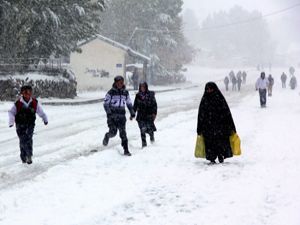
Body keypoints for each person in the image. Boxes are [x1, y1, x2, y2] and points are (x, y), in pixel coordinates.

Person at [197, 82, 236, 164]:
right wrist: (199, 128)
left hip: (220, 126)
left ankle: (220, 155)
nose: (209, 91)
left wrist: (231, 127)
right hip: (208, 127)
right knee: (210, 143)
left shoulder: (220, 99)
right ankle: (212, 157)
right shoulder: (204, 100)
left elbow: (227, 113)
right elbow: (201, 115)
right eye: (207, 89)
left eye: (211, 89)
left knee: (220, 142)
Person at [8, 85, 48, 164]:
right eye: (25, 92)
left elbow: (41, 112)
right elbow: (11, 112)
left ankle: (29, 156)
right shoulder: (18, 103)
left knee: (28, 139)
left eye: (29, 92)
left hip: (30, 124)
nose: (27, 94)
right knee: (22, 140)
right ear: (22, 94)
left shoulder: (34, 103)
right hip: (20, 125)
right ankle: (23, 157)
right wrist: (11, 122)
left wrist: (45, 119)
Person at [103, 76, 135, 156]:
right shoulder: (111, 92)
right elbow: (106, 104)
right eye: (118, 83)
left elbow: (129, 103)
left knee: (123, 133)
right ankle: (107, 136)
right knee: (113, 133)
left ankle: (126, 150)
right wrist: (109, 113)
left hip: (121, 116)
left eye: (121, 82)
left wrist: (132, 111)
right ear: (115, 83)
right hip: (112, 116)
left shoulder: (125, 92)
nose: (120, 84)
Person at [133, 82, 157, 148]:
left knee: (150, 130)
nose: (142, 88)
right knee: (142, 130)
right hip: (140, 116)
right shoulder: (138, 95)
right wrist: (133, 114)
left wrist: (154, 113)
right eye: (141, 87)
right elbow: (135, 105)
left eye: (144, 87)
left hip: (149, 115)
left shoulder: (150, 95)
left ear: (146, 87)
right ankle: (144, 145)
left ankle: (152, 140)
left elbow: (154, 105)